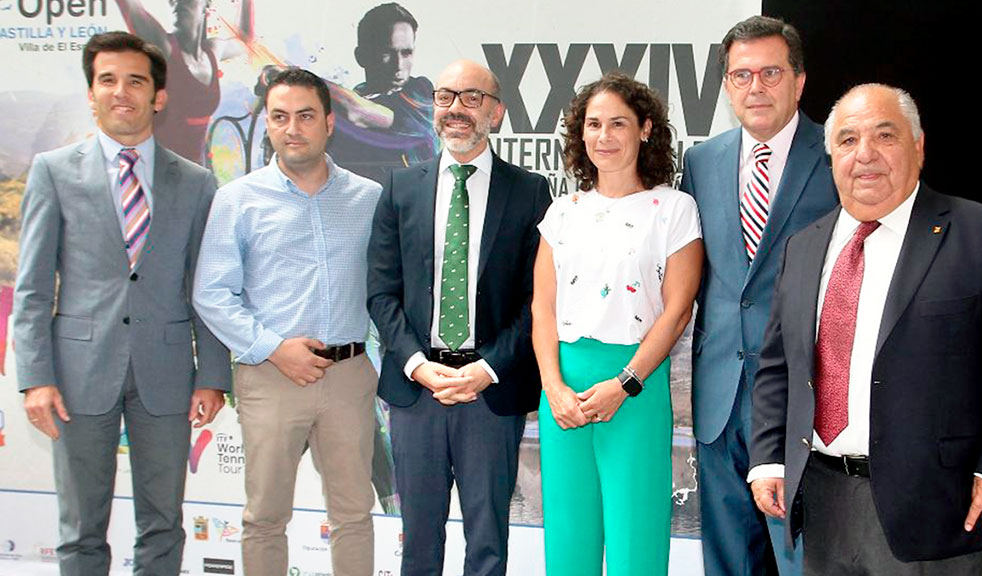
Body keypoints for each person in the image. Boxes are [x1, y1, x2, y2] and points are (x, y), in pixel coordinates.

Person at [749, 83, 982, 575]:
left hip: (941, 507)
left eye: (885, 135)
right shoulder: (803, 247)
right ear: (831, 154)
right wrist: (769, 459)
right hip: (825, 499)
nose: (866, 155)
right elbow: (777, 366)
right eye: (849, 140)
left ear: (918, 146)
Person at [13, 31, 230, 574]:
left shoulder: (197, 182)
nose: (121, 92)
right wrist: (34, 376)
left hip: (167, 373)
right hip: (77, 373)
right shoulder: (53, 172)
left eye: (135, 81)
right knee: (81, 528)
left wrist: (213, 375)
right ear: (91, 93)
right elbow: (33, 286)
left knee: (163, 523)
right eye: (107, 80)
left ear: (158, 96)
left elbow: (206, 288)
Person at [193, 68, 381, 576]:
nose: (292, 128)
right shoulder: (237, 199)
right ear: (268, 123)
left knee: (354, 515)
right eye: (280, 117)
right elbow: (211, 292)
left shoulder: (369, 198)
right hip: (269, 375)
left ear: (329, 122)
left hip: (350, 376)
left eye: (305, 116)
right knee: (265, 517)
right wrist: (274, 348)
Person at [366, 59, 550, 576]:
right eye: (446, 97)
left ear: (496, 111)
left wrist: (487, 368)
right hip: (416, 390)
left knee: (487, 542)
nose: (455, 109)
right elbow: (382, 293)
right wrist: (418, 365)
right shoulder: (401, 188)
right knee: (419, 542)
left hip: (490, 392)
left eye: (471, 98)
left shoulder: (530, 191)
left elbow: (538, 300)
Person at [679, 15, 837, 576]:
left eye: (770, 72)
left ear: (799, 81)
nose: (755, 87)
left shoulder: (841, 155)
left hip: (807, 396)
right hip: (720, 396)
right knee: (728, 561)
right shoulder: (700, 161)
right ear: (725, 86)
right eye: (741, 75)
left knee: (801, 561)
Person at [532, 72, 703, 575]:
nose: (603, 136)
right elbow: (542, 307)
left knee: (636, 541)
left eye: (618, 124)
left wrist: (624, 383)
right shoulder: (562, 211)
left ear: (646, 129)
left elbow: (677, 312)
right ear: (579, 134)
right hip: (563, 387)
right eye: (593, 124)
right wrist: (553, 388)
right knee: (568, 539)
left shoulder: (674, 209)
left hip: (635, 386)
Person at [117, 0, 254, 164]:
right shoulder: (164, 46)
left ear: (206, 5)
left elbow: (245, 39)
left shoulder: (213, 51)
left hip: (196, 175)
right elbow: (131, 6)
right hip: (160, 173)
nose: (176, 2)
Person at [328, 2, 439, 184]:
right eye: (387, 53)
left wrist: (303, 80)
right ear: (361, 56)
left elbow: (357, 112)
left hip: (412, 209)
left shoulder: (421, 93)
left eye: (406, 53)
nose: (399, 65)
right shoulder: (349, 100)